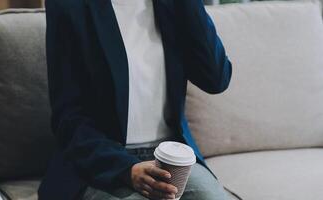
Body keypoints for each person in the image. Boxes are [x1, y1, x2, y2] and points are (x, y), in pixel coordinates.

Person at [38, 0, 233, 199]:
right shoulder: (70, 5)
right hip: (100, 160)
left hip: (169, 155)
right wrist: (126, 168)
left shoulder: (174, 5)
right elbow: (68, 118)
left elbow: (216, 80)